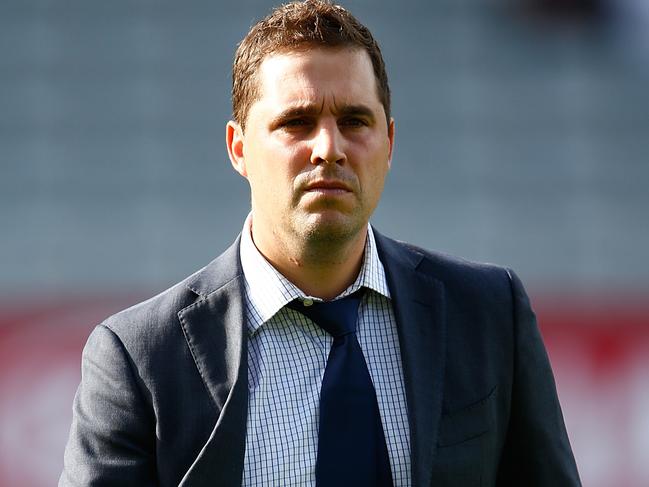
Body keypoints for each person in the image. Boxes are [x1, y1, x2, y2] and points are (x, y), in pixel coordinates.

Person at [60, 1, 581, 486]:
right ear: (239, 149)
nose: (329, 148)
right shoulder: (139, 357)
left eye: (354, 121)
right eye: (297, 122)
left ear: (389, 143)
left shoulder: (489, 313)